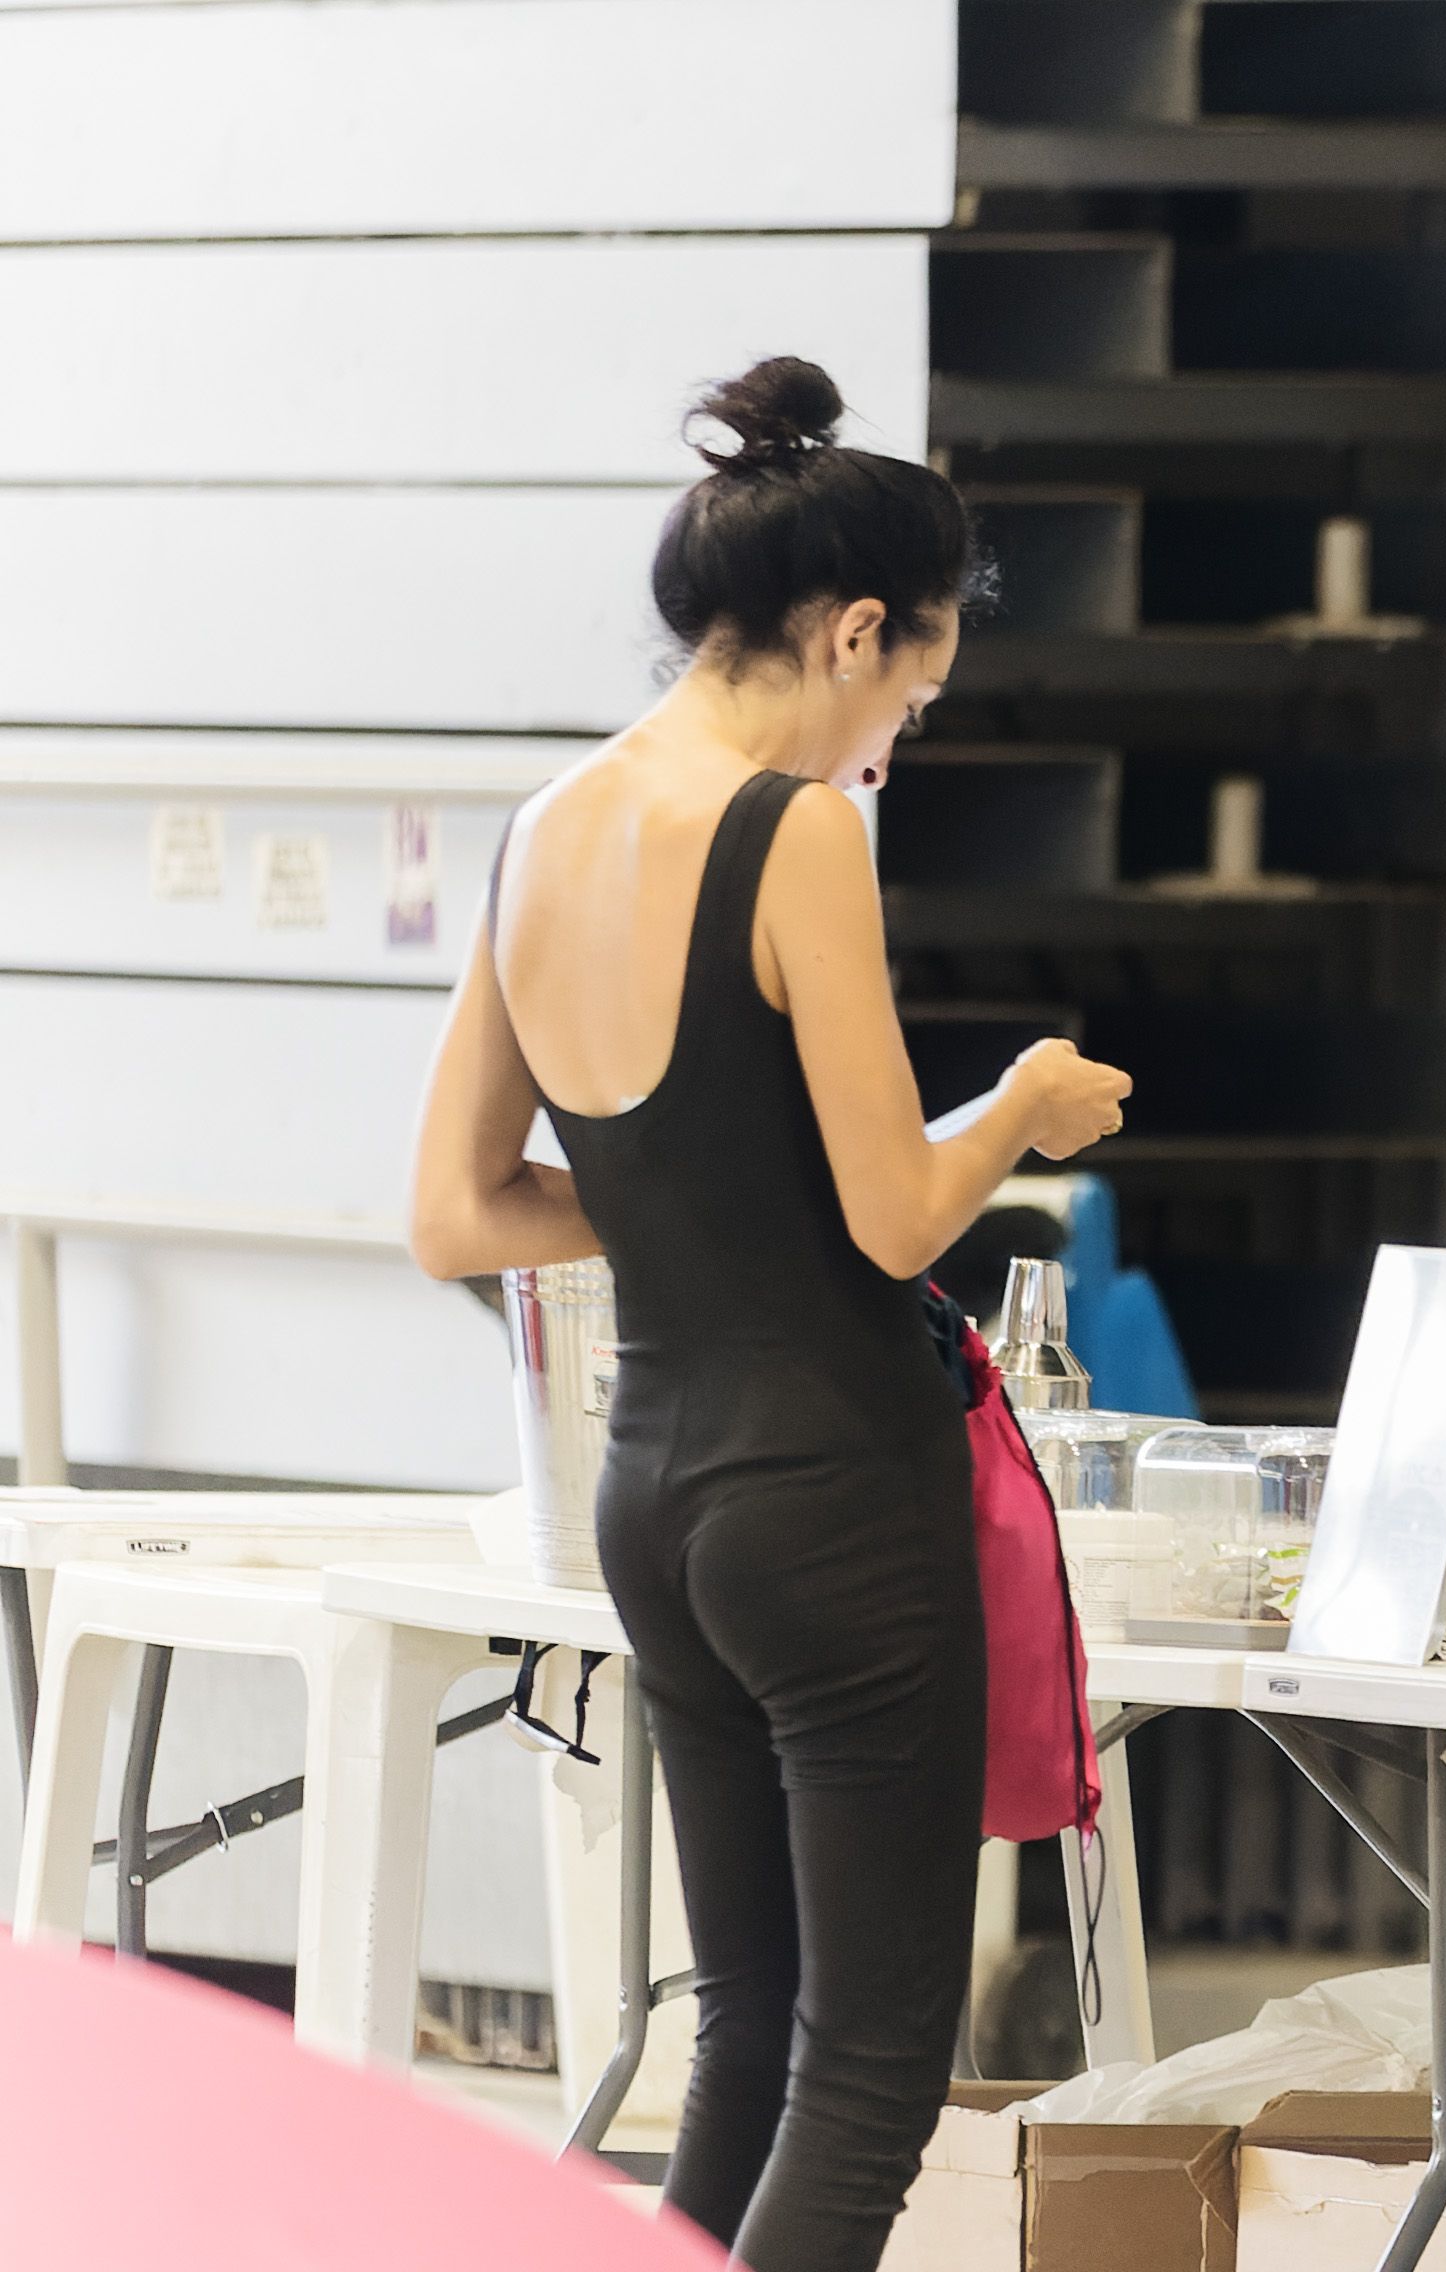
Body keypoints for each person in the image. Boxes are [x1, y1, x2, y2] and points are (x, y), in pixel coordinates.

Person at [409, 357, 1133, 2271]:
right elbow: (893, 1215)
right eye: (908, 692)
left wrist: (683, 1202)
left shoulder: (541, 832)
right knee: (875, 2066)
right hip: (829, 1495)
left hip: (656, 1494)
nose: (891, 740)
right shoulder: (791, 834)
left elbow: (455, 1210)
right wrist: (1021, 1111)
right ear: (854, 631)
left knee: (742, 2035)